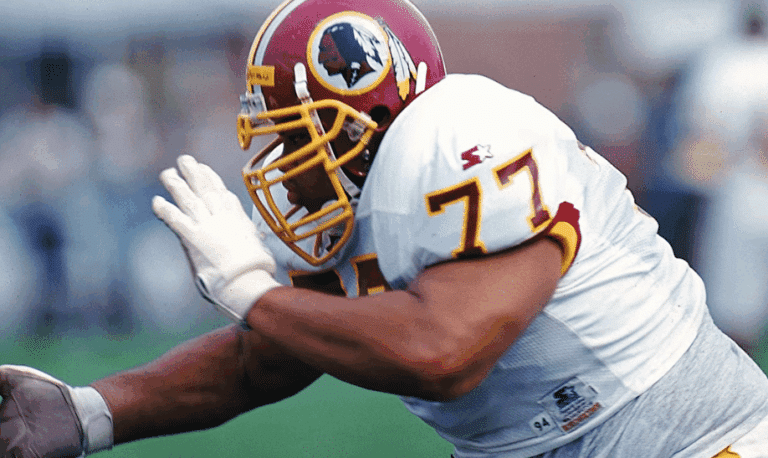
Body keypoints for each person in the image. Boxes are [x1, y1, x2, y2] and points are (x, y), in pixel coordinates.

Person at [2, 1, 768, 457]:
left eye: (297, 133)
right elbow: (264, 358)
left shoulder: (460, 129)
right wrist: (90, 412)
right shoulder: (353, 197)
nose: (284, 164)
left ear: (367, 110)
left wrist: (253, 290)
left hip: (688, 439)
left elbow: (445, 350)